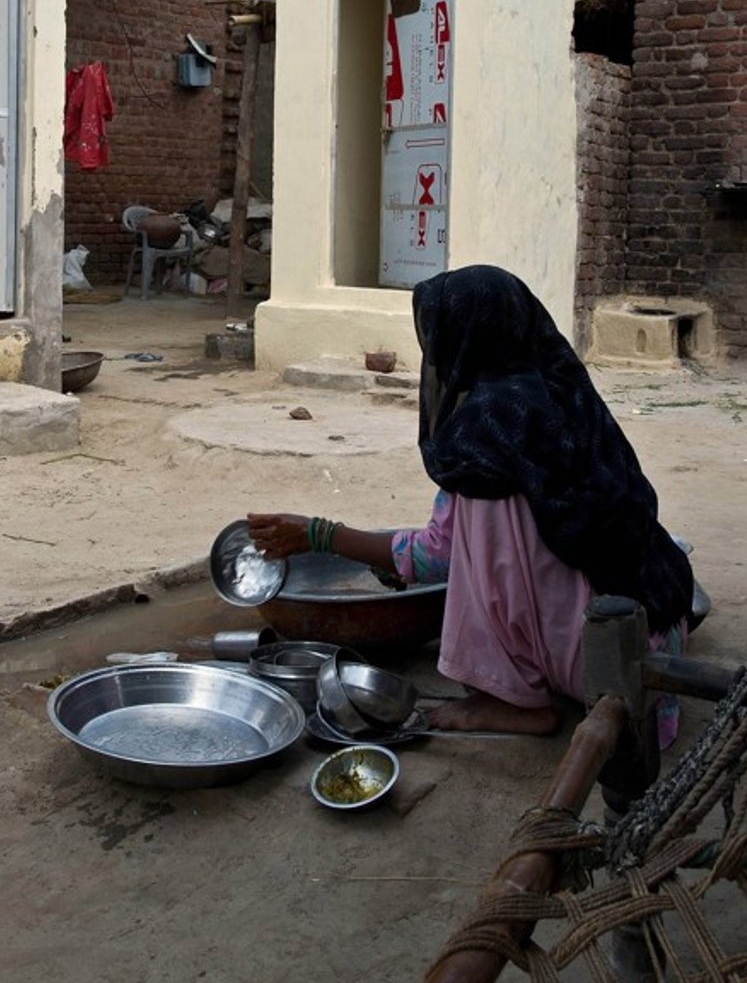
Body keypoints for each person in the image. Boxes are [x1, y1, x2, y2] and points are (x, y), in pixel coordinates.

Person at [248, 264, 694, 743]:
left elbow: (438, 557)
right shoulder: (561, 385)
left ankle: (513, 699)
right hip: (656, 631)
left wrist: (319, 534)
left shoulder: (490, 422)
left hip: (603, 664)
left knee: (480, 539)